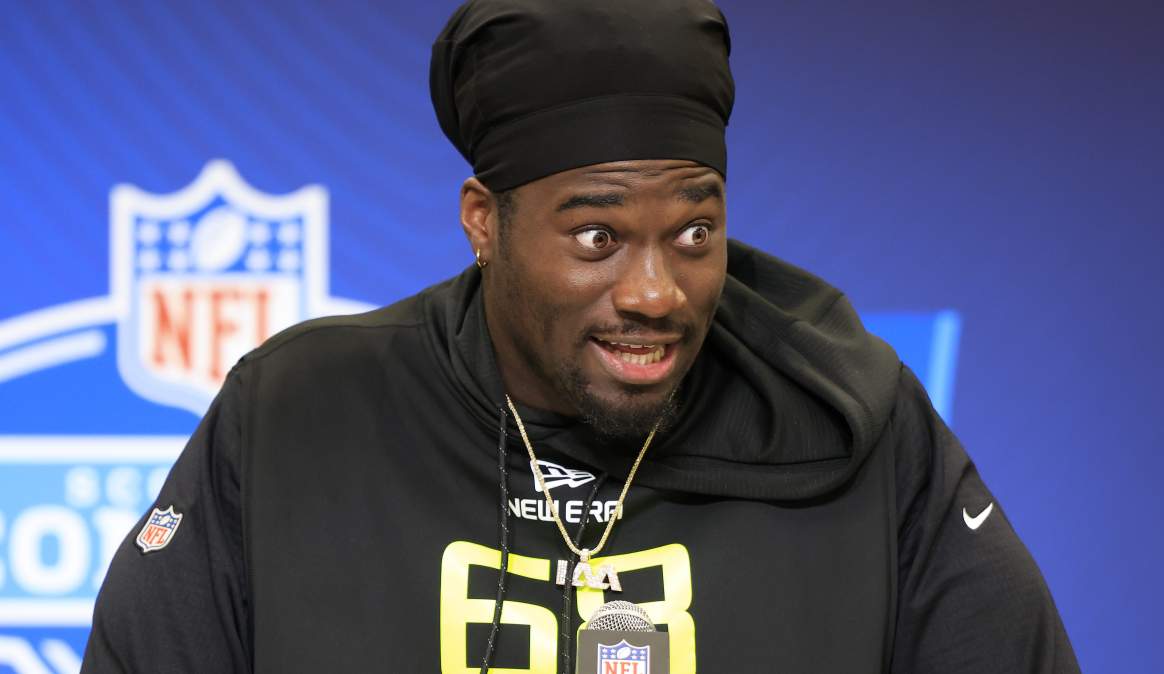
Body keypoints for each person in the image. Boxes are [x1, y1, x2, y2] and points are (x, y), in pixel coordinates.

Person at [83, 1, 1079, 672]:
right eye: (597, 236)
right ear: (484, 221)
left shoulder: (850, 416)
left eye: (694, 232)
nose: (656, 292)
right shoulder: (298, 413)